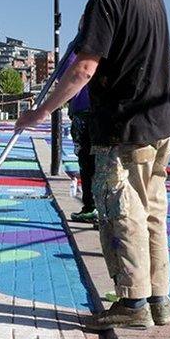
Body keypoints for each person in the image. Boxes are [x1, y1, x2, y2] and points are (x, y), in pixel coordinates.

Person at [14, 0, 170, 330]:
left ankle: (132, 302)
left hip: (126, 128)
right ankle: (158, 299)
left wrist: (41, 113)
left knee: (123, 212)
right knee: (153, 209)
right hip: (159, 123)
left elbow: (84, 69)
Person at [58, 46, 97, 224]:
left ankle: (91, 207)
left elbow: (65, 77)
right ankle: (99, 208)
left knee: (87, 161)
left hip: (84, 112)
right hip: (103, 113)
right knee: (101, 162)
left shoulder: (78, 51)